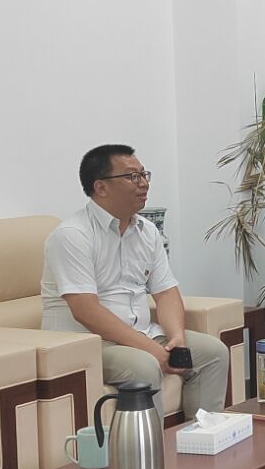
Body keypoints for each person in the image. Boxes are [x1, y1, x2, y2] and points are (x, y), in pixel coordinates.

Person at [43, 144, 231, 415]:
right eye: (132, 177)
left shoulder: (147, 231)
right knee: (144, 366)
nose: (143, 183)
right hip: (90, 343)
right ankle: (152, 442)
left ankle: (202, 435)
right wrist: (150, 349)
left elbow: (166, 292)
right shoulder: (73, 235)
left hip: (142, 334)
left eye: (144, 175)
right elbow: (85, 310)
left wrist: (176, 338)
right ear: (101, 187)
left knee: (213, 353)